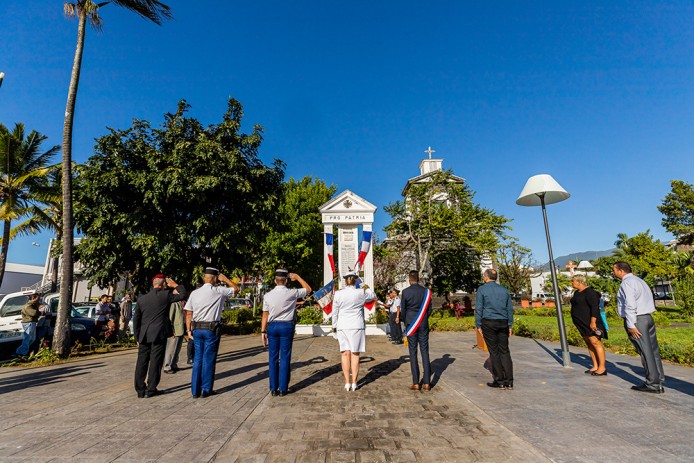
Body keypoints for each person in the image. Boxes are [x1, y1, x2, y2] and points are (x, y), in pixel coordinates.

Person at [184, 267, 239, 398]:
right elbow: (236, 289)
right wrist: (225, 279)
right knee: (208, 358)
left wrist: (188, 330)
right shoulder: (219, 290)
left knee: (197, 359)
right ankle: (206, 389)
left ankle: (194, 390)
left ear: (204, 277)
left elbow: (188, 313)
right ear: (214, 278)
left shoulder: (194, 293)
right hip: (211, 329)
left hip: (196, 328)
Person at [612, 261, 665, 393]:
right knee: (653, 351)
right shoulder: (639, 281)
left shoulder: (627, 283)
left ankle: (652, 383)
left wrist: (630, 324)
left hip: (637, 320)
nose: (613, 273)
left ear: (621, 270)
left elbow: (630, 304)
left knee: (645, 351)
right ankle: (659, 380)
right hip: (647, 317)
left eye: (614, 270)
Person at [133, 274, 187, 398]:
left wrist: (137, 336)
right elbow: (183, 295)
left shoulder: (142, 299)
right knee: (156, 362)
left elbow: (136, 319)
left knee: (142, 362)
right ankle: (151, 388)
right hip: (159, 334)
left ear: (153, 284)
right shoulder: (165, 295)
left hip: (144, 335)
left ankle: (140, 390)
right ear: (163, 284)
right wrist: (175, 285)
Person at [260, 269, 311, 397]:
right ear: (286, 280)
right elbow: (308, 289)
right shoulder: (292, 293)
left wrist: (262, 331)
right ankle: (283, 388)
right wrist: (298, 277)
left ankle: (273, 388)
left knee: (272, 358)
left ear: (274, 281)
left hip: (272, 326)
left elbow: (265, 315)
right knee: (285, 357)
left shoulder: (267, 295)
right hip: (286, 326)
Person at [332, 271, 377, 391]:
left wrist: (334, 328)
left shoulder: (338, 294)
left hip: (343, 326)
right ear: (355, 280)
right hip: (357, 325)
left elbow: (335, 312)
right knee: (355, 354)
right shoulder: (360, 292)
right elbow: (372, 295)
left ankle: (347, 382)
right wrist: (364, 284)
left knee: (345, 354)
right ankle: (354, 383)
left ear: (345, 280)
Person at [475, 269, 514, 390]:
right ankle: (509, 381)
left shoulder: (482, 289)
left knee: (494, 352)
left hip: (489, 322)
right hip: (503, 322)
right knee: (505, 351)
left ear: (486, 277)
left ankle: (500, 381)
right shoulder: (504, 290)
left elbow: (479, 308)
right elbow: (509, 309)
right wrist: (510, 325)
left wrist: (478, 325)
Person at [399, 270, 432, 391]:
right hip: (423, 323)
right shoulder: (426, 292)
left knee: (412, 353)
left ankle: (416, 382)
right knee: (424, 351)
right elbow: (429, 310)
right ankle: (427, 382)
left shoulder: (406, 292)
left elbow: (403, 310)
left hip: (411, 324)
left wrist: (405, 322)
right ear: (418, 279)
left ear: (409, 279)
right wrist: (423, 319)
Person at [570, 275, 608, 376]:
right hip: (581, 323)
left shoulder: (590, 292)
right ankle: (595, 365)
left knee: (595, 342)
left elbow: (594, 308)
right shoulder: (577, 292)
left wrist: (593, 322)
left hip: (590, 322)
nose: (572, 283)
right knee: (589, 343)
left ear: (579, 282)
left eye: (573, 281)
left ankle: (602, 367)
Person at [14, 293, 41, 358]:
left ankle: (19, 351)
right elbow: (33, 313)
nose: (39, 300)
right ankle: (23, 353)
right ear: (33, 298)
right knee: (28, 338)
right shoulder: (28, 306)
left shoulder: (32, 305)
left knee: (32, 339)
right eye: (38, 298)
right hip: (29, 322)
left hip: (31, 322)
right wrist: (39, 312)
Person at [163, 300, 186, 374]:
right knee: (171, 349)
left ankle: (174, 364)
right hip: (175, 330)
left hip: (181, 328)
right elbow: (170, 317)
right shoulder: (174, 303)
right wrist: (171, 330)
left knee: (177, 349)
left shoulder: (183, 302)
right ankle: (167, 366)